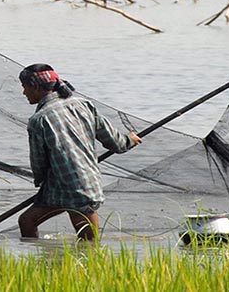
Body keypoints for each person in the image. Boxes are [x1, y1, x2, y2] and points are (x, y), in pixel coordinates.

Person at [17, 63, 142, 241]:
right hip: (77, 186)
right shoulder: (84, 105)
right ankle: (47, 264)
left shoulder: (39, 120)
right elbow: (115, 142)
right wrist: (129, 140)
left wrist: (40, 182)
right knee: (27, 221)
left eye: (25, 87)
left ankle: (83, 267)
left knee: (89, 245)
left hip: (76, 191)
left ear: (36, 87)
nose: (24, 93)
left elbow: (39, 163)